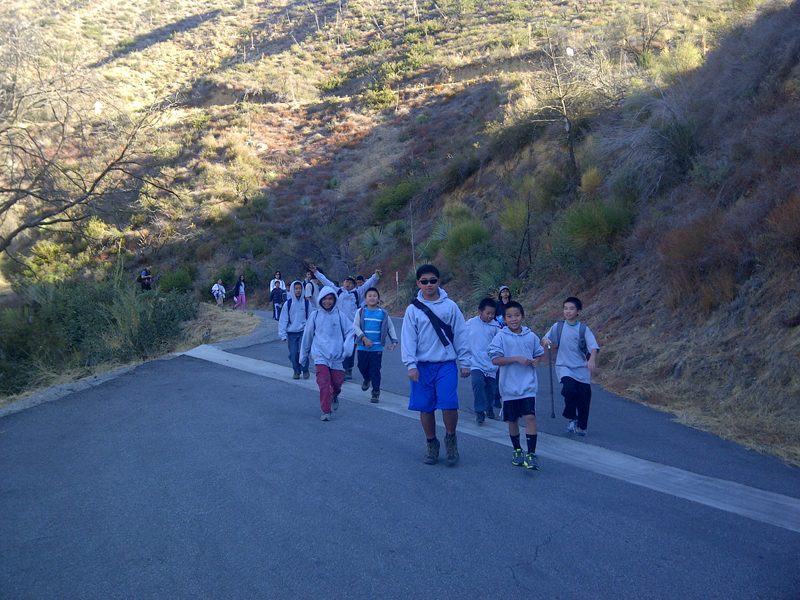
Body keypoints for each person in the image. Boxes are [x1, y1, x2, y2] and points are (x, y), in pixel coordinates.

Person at [401, 264, 472, 466]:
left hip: (446, 364)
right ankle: (431, 443)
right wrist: (411, 365)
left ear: (439, 282)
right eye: (424, 281)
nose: (429, 284)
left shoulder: (450, 306)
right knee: (426, 407)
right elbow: (408, 339)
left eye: (432, 281)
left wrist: (466, 362)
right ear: (418, 283)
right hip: (423, 366)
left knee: (449, 404)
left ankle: (451, 439)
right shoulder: (413, 310)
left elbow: (461, 334)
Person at [487, 301, 545, 470]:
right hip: (509, 387)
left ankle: (531, 453)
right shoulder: (501, 337)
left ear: (523, 317)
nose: (514, 319)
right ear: (504, 319)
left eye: (517, 315)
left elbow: (539, 353)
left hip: (528, 386)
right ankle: (517, 449)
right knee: (513, 420)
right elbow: (495, 359)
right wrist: (516, 359)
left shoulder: (530, 336)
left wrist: (536, 361)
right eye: (510, 316)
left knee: (530, 417)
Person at [541, 296, 600, 436]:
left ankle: (581, 426)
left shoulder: (583, 329)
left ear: (578, 311)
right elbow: (545, 338)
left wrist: (591, 360)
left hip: (582, 368)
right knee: (568, 390)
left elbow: (593, 346)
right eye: (565, 308)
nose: (568, 311)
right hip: (564, 366)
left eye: (571, 309)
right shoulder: (558, 326)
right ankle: (572, 417)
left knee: (584, 398)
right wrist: (546, 342)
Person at [310, 264, 380, 380]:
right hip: (338, 325)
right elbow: (326, 281)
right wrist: (316, 272)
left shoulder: (357, 293)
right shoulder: (337, 291)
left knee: (350, 348)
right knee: (339, 346)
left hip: (352, 327)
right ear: (343, 283)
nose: (348, 284)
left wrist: (375, 275)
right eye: (347, 282)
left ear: (354, 285)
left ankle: (348, 369)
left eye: (351, 283)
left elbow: (368, 284)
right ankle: (339, 369)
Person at [299, 286, 356, 421]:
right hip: (320, 355)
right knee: (323, 383)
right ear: (320, 300)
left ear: (335, 300)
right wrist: (303, 356)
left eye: (330, 299)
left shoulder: (340, 315)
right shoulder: (315, 315)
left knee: (337, 383)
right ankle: (326, 411)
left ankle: (334, 395)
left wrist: (347, 346)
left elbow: (350, 331)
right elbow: (307, 336)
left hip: (336, 356)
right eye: (324, 299)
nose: (327, 302)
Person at [353, 287, 398, 403]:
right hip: (362, 347)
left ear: (378, 299)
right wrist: (364, 339)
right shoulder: (360, 312)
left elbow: (390, 327)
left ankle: (376, 392)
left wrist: (394, 341)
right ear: (365, 299)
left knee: (375, 370)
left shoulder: (383, 313)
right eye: (370, 296)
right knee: (362, 367)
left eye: (374, 296)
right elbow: (355, 326)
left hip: (377, 348)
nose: (372, 298)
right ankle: (366, 378)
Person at [467, 298, 501, 424]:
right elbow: (461, 335)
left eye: (493, 313)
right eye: (488, 313)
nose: (490, 316)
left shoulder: (496, 327)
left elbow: (501, 343)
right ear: (480, 311)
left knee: (490, 389)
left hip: (491, 363)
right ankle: (479, 411)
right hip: (475, 362)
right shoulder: (471, 323)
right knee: (478, 383)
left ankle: (489, 408)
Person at [279, 280, 310, 380]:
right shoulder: (288, 304)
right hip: (292, 333)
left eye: (300, 288)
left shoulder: (306, 303)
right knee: (293, 354)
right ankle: (296, 371)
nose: (298, 290)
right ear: (292, 290)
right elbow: (283, 319)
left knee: (303, 352)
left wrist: (312, 332)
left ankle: (305, 369)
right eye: (296, 288)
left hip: (303, 332)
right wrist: (282, 334)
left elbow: (311, 318)